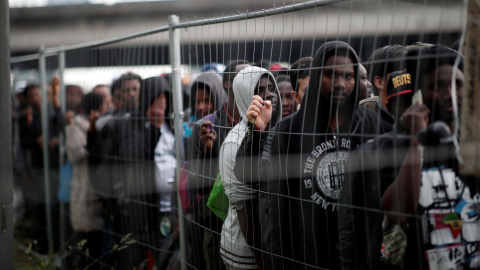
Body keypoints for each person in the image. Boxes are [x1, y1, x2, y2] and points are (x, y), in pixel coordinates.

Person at [235, 41, 382, 270]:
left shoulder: (369, 123)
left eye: (348, 76)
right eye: (330, 75)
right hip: (307, 255)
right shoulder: (289, 130)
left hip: (361, 252)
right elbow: (259, 184)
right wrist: (257, 133)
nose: (340, 84)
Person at [338, 45, 471, 269]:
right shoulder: (378, 152)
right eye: (438, 86)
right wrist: (417, 141)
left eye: (457, 84)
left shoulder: (470, 147)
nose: (450, 94)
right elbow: (391, 213)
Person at [186, 60, 250, 270]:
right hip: (217, 228)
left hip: (251, 226)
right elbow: (197, 185)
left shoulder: (258, 123)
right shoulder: (205, 126)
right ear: (228, 86)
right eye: (243, 79)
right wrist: (206, 152)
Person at [219, 66, 282, 270]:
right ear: (245, 95)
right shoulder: (234, 143)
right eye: (259, 89)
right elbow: (244, 208)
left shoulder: (279, 130)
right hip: (247, 254)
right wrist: (262, 260)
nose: (269, 94)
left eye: (271, 87)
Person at [66, 91, 107, 269]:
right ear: (96, 108)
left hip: (96, 191)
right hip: (84, 192)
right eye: (106, 103)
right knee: (87, 243)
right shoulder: (76, 127)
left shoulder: (103, 125)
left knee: (96, 244)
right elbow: (75, 154)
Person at [360, 45, 407, 132]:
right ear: (379, 82)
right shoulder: (363, 119)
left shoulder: (424, 110)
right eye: (401, 72)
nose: (408, 77)